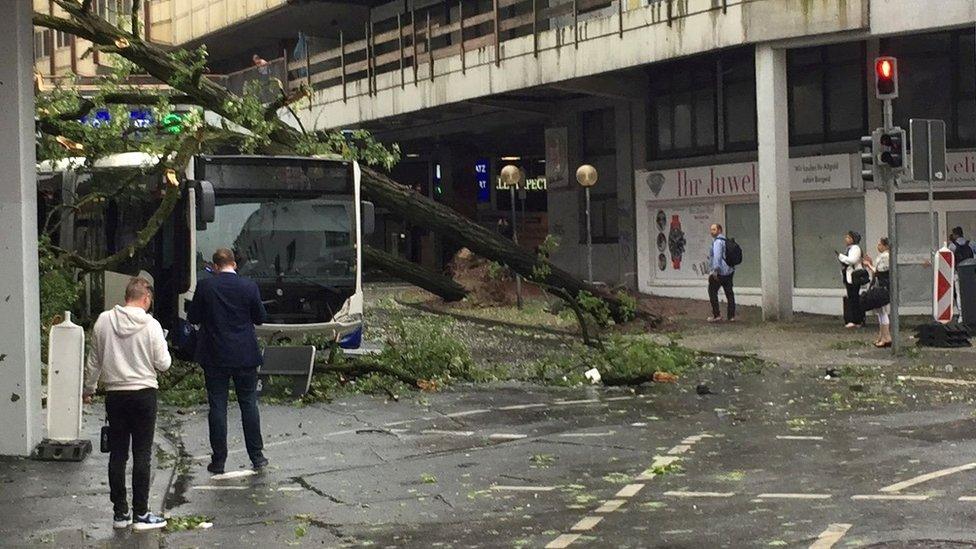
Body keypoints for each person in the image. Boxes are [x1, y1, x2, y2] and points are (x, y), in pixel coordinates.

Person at [84, 277, 170, 530]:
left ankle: (119, 513)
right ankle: (141, 514)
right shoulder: (152, 325)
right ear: (146, 299)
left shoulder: (103, 321)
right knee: (142, 454)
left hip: (116, 396)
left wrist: (88, 389)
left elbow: (93, 361)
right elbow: (164, 364)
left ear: (126, 296)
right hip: (144, 395)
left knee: (118, 455)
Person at [188, 248, 269, 474]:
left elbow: (193, 317)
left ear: (214, 266)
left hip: (214, 355)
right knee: (249, 404)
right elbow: (260, 318)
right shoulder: (249, 286)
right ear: (234, 264)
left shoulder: (205, 287)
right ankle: (257, 456)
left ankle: (219, 460)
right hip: (245, 354)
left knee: (217, 406)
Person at [862, 237, 892, 348]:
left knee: (883, 312)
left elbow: (879, 271)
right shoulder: (883, 256)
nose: (878, 246)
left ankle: (886, 337)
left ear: (885, 246)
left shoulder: (886, 257)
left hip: (883, 287)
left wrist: (869, 265)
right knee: (880, 313)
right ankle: (881, 336)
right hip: (882, 286)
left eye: (880, 244)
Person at [706, 223, 735, 323]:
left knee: (712, 291)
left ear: (719, 230)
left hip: (720, 272)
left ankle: (716, 315)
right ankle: (731, 316)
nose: (711, 232)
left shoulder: (718, 242)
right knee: (729, 293)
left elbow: (717, 257)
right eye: (711, 229)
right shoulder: (725, 240)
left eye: (714, 229)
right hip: (729, 271)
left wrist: (715, 271)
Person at [838, 230, 865, 329]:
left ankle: (856, 320)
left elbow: (852, 260)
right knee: (851, 297)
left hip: (854, 277)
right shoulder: (849, 248)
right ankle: (853, 319)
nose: (846, 239)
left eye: (848, 237)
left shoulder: (855, 248)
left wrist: (841, 257)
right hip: (849, 276)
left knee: (854, 298)